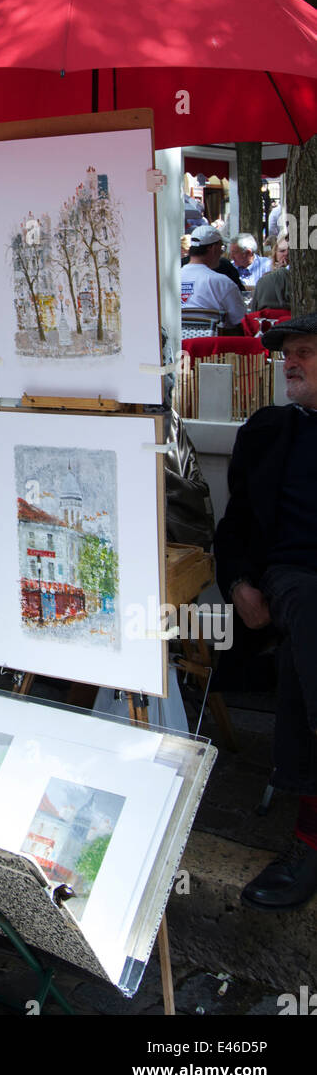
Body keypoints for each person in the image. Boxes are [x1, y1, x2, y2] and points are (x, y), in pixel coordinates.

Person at [214, 313, 317, 909]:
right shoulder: (269, 430)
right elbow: (234, 527)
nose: (291, 362)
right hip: (292, 577)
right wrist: (237, 583)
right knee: (309, 607)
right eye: (286, 354)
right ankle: (310, 837)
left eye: (304, 351)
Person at [179, 225, 247, 333]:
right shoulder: (222, 283)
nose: (222, 252)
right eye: (222, 247)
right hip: (213, 347)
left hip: (177, 345)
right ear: (213, 248)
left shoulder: (172, 279)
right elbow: (241, 320)